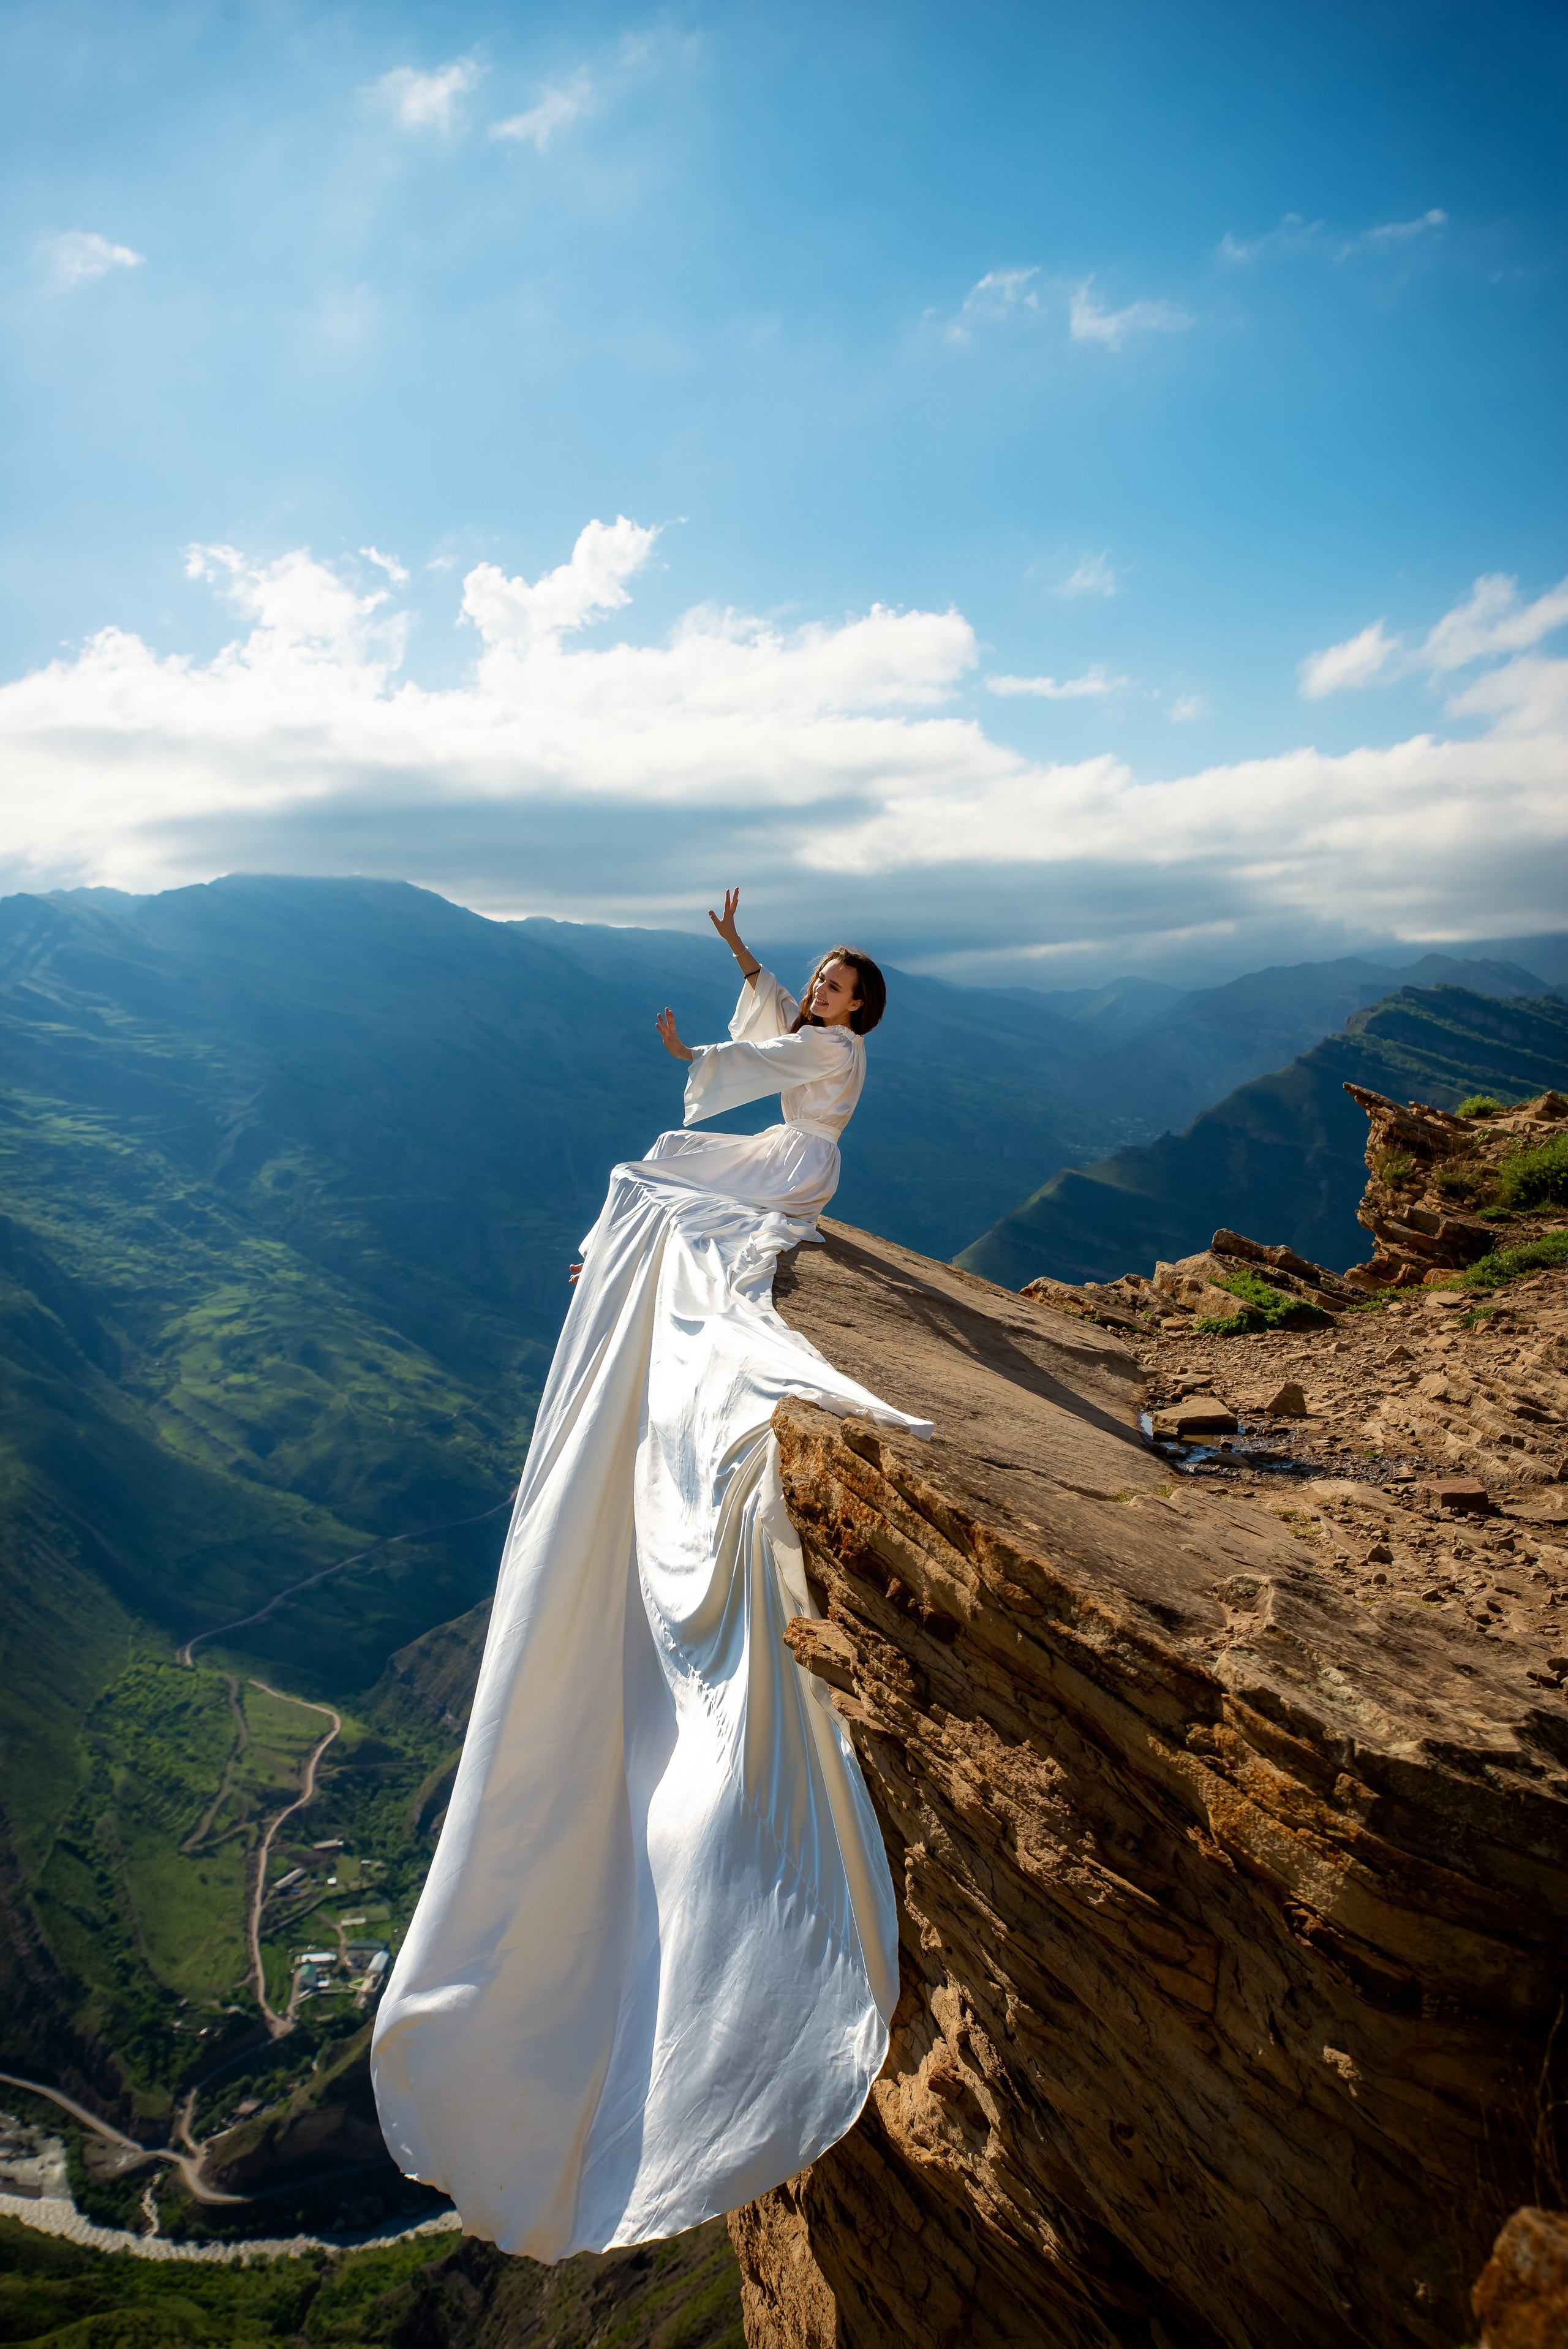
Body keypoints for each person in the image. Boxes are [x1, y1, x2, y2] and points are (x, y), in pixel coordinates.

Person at [372, 891, 927, 2264]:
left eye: (841, 981)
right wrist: (739, 965)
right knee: (665, 1159)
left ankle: (600, 1256)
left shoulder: (831, 1063)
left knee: (656, 1169)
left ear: (861, 1012)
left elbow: (764, 1063)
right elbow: (765, 1032)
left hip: (795, 1175)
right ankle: (610, 1248)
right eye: (823, 972)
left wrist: (713, 1044)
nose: (825, 988)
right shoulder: (815, 1036)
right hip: (788, 1153)